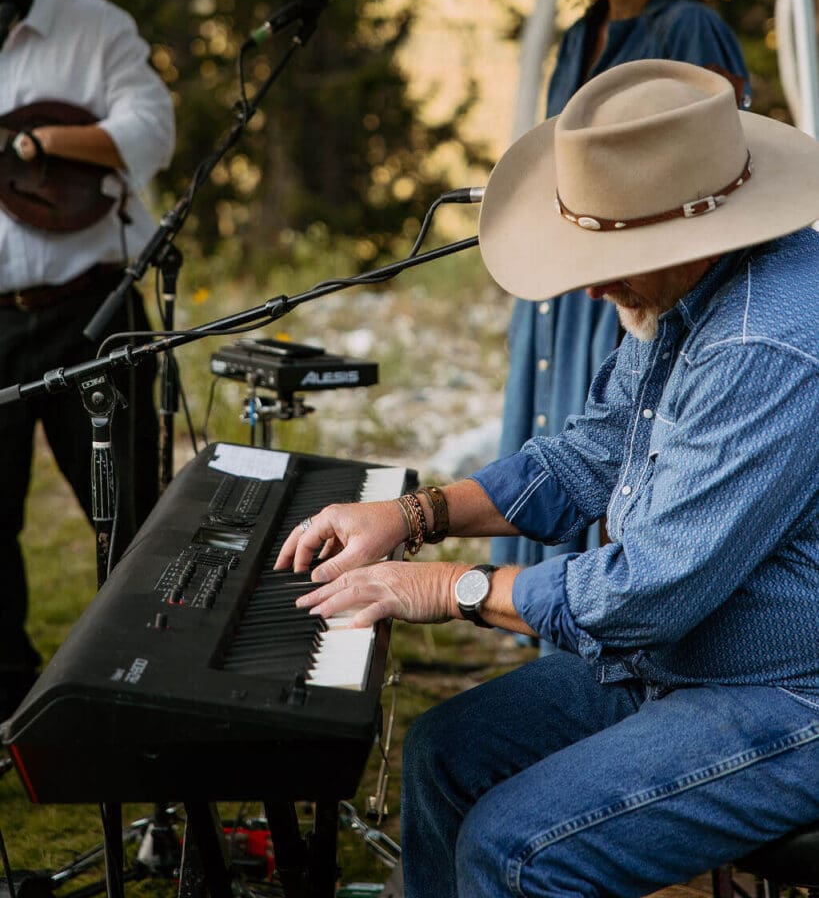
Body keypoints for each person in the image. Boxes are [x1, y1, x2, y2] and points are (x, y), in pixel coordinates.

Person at [276, 59, 819, 897]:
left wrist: (449, 588)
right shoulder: (686, 292)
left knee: (516, 849)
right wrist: (412, 515)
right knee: (445, 753)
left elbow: (648, 592)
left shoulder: (763, 344)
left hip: (787, 692)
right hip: (687, 659)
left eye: (619, 252)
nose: (594, 282)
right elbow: (588, 454)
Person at [493, 0, 750, 582]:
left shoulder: (691, 27)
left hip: (636, 286)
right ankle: (540, 615)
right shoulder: (577, 39)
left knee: (611, 446)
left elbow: (712, 173)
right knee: (557, 436)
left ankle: (591, 627)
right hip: (568, 285)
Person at [0, 0, 175, 719]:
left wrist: (37, 143)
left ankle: (135, 682)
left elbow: (150, 129)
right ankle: (11, 703)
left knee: (130, 507)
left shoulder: (92, 26)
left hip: (91, 307)